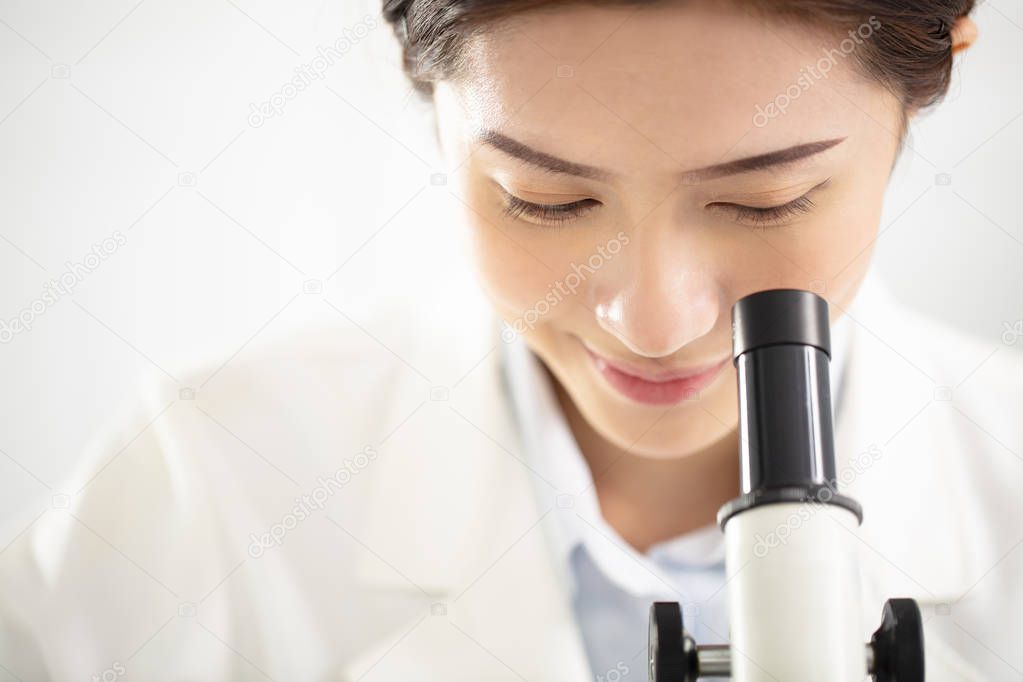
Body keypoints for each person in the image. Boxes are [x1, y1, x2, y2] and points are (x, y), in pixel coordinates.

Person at [1, 1, 1019, 680]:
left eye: (767, 200)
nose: (653, 321)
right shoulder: (210, 487)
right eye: (547, 200)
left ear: (950, 49)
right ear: (428, 97)